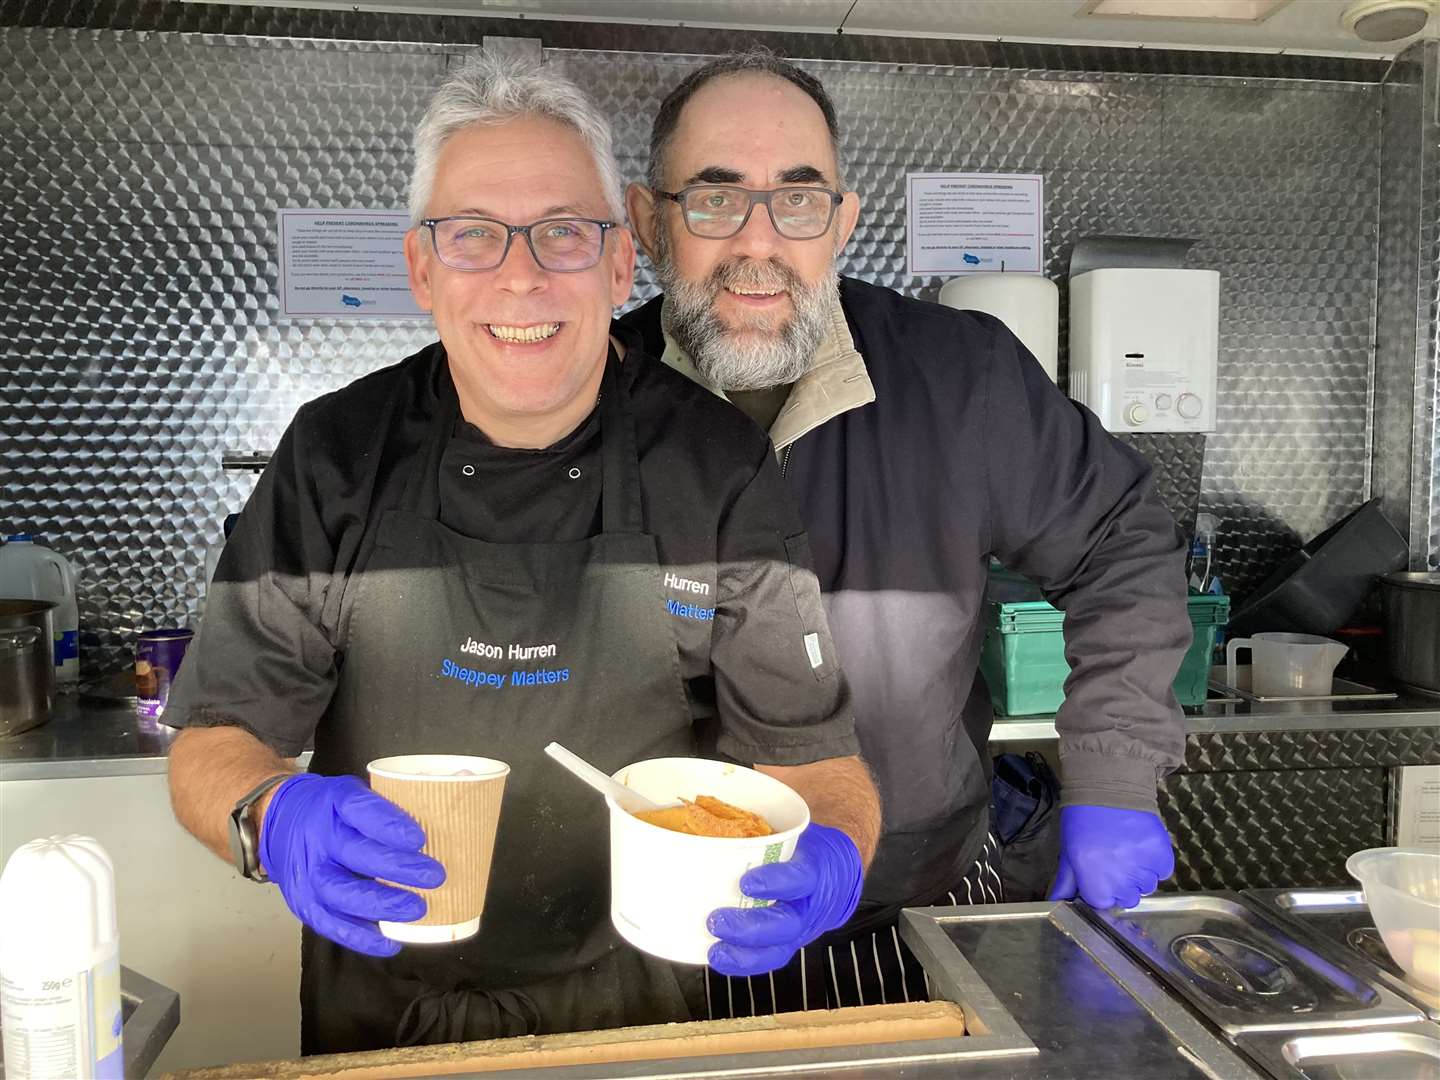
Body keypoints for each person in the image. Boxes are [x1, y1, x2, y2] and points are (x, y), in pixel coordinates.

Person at [165, 52, 880, 1056]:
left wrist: (834, 853)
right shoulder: (335, 455)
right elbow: (212, 744)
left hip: (636, 999)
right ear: (422, 267)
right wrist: (270, 816)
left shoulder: (716, 467)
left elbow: (818, 765)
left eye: (563, 233)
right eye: (472, 236)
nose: (520, 274)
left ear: (621, 261)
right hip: (378, 999)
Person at [622, 50, 1189, 1015]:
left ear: (841, 222)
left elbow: (1121, 539)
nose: (759, 241)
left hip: (912, 911)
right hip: (651, 927)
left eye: (798, 202)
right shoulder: (587, 399)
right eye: (715, 200)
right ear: (647, 222)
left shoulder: (959, 379)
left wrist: (1117, 774)